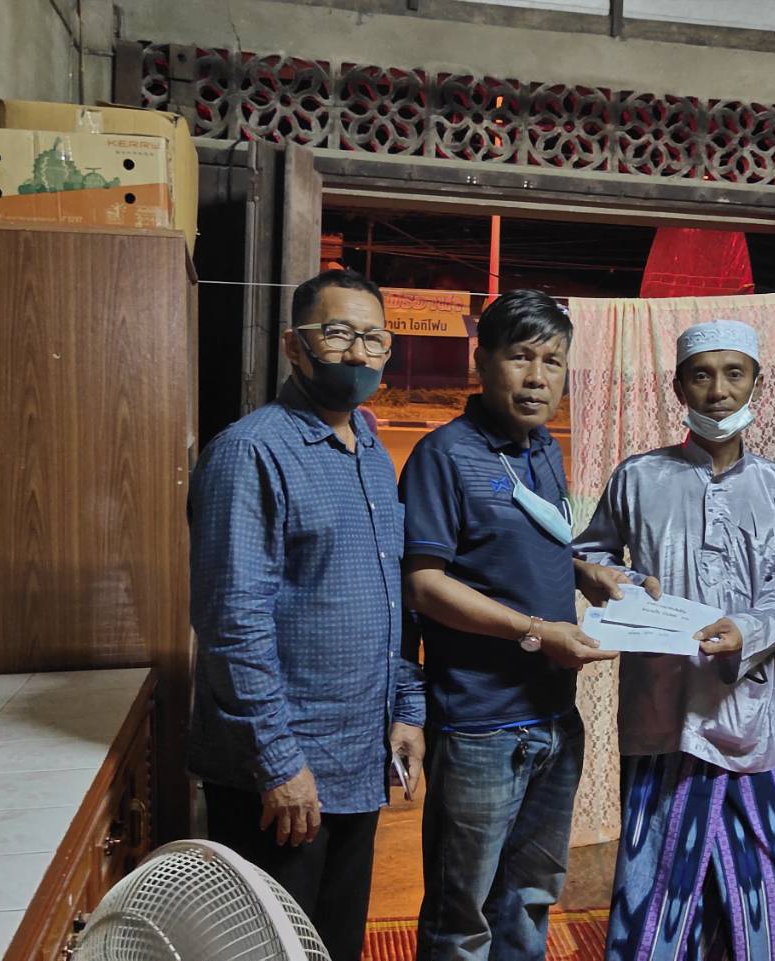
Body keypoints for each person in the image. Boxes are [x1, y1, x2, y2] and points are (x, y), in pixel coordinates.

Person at [187, 268, 426, 961]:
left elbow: (390, 599)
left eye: (374, 338)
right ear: (294, 346)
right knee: (271, 949)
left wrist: (406, 710)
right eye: (338, 333)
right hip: (283, 776)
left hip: (356, 760)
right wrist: (278, 763)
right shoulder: (250, 452)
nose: (358, 353)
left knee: (336, 944)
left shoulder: (372, 453)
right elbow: (232, 623)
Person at [573, 318, 775, 961]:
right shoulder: (638, 476)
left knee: (762, 882)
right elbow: (592, 556)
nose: (718, 391)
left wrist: (750, 630)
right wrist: (609, 580)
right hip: (661, 708)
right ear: (679, 386)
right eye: (702, 375)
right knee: (655, 878)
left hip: (743, 712)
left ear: (756, 383)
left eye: (734, 374)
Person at [400, 289, 615, 961]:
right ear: (482, 360)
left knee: (529, 899)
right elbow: (425, 585)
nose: (537, 377)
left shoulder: (542, 449)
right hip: (480, 724)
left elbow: (522, 544)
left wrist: (585, 573)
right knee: (461, 915)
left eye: (553, 361)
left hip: (554, 715)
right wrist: (538, 631)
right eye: (521, 357)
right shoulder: (444, 455)